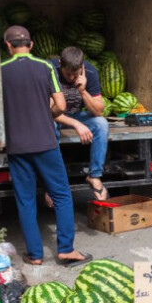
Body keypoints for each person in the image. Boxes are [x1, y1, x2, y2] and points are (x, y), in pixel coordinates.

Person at [1, 26, 91, 267]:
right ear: (31, 45)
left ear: (8, 46)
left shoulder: (1, 70)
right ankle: (66, 250)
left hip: (17, 145)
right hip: (45, 142)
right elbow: (60, 105)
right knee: (61, 195)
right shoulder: (45, 67)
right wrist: (45, 113)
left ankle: (35, 255)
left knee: (26, 200)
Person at [51, 47, 109, 201]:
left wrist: (83, 91)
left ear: (82, 66)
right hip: (55, 118)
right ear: (60, 64)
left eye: (75, 73)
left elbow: (99, 111)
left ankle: (95, 175)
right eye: (67, 73)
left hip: (77, 115)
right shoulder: (50, 71)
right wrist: (77, 124)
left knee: (101, 124)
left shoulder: (89, 71)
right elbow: (49, 111)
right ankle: (53, 180)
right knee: (50, 126)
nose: (71, 77)